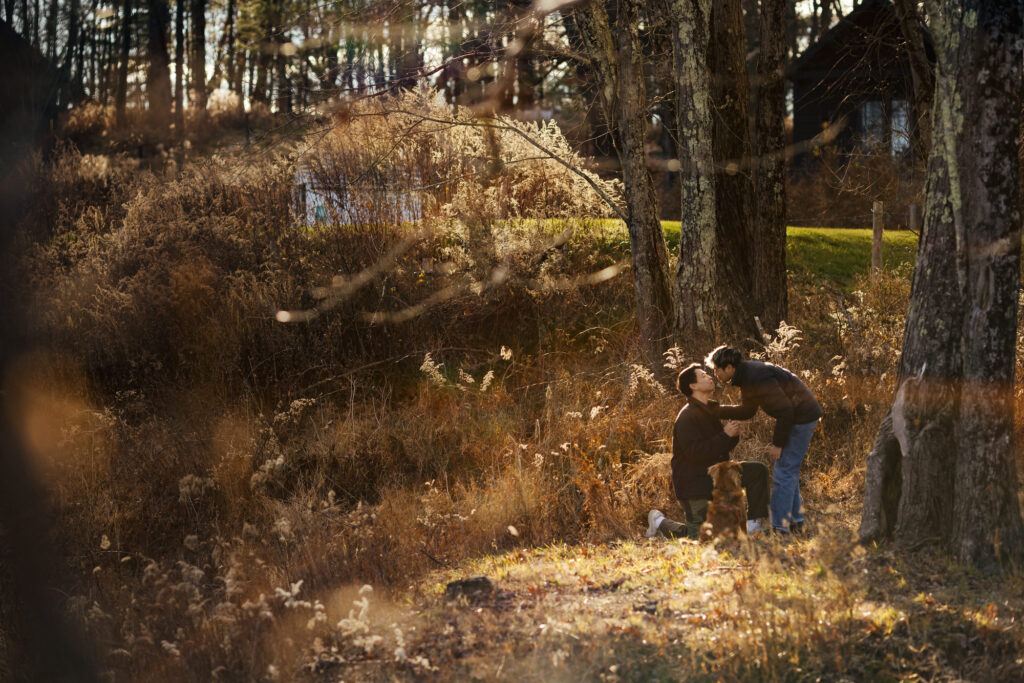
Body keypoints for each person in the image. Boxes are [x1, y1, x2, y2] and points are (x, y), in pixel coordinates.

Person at [705, 345, 823, 534]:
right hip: (798, 415)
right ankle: (795, 523)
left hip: (802, 416)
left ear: (728, 367)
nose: (715, 374)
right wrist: (716, 410)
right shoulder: (746, 376)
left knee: (784, 471)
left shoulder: (755, 376)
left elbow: (785, 410)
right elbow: (748, 411)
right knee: (787, 470)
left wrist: (778, 444)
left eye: (717, 369)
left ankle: (780, 528)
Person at [646, 362, 771, 539]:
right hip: (695, 487)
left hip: (717, 478)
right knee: (702, 537)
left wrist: (732, 435)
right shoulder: (687, 416)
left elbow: (717, 450)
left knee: (757, 471)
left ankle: (753, 526)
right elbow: (696, 452)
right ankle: (659, 522)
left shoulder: (709, 410)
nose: (709, 376)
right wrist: (725, 435)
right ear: (693, 386)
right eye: (703, 376)